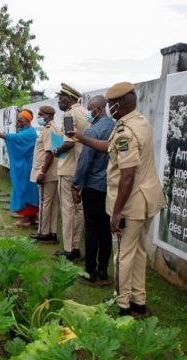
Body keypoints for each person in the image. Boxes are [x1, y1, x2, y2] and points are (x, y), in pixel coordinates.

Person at [66, 82, 164, 318]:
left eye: (111, 104)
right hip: (147, 201)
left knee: (123, 255)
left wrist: (117, 211)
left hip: (130, 204)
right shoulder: (139, 122)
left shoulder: (125, 132)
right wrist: (80, 137)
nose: (109, 108)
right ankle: (138, 302)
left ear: (117, 105)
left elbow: (127, 176)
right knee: (138, 253)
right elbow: (108, 148)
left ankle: (122, 304)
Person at [72, 95, 114, 286]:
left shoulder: (93, 130)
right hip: (110, 187)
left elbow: (86, 160)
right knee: (106, 230)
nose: (88, 113)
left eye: (90, 109)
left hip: (93, 186)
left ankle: (91, 270)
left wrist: (76, 184)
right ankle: (103, 270)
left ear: (98, 109)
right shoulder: (115, 127)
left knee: (92, 230)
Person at [53, 83, 90, 261]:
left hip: (68, 168)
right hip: (82, 168)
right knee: (79, 209)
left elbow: (69, 142)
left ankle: (69, 249)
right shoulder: (84, 112)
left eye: (62, 97)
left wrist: (56, 151)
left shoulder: (69, 114)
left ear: (70, 98)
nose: (59, 100)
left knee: (68, 209)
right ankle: (74, 246)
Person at [0, 109, 39, 226]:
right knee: (29, 189)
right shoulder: (27, 131)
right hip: (26, 165)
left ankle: (26, 219)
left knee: (23, 189)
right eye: (18, 119)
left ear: (27, 121)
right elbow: (16, 137)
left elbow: (15, 139)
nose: (17, 122)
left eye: (20, 120)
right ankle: (33, 216)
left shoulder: (29, 133)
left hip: (25, 166)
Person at [30, 105, 59, 243]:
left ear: (48, 115)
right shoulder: (55, 128)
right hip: (54, 172)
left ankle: (42, 232)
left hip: (46, 173)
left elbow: (50, 153)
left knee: (44, 203)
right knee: (53, 203)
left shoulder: (49, 130)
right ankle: (52, 232)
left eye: (41, 114)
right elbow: (57, 152)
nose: (39, 117)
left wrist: (42, 172)